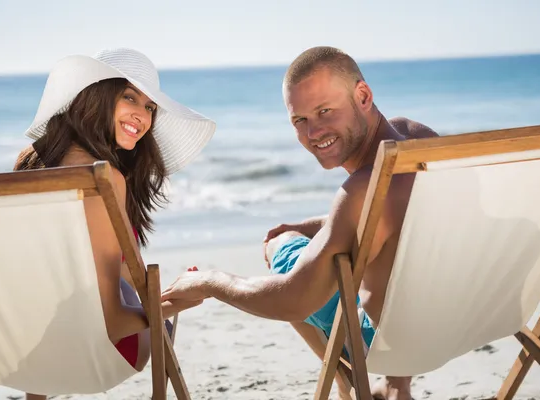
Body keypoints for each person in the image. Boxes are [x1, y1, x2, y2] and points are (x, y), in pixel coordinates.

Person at [161, 46, 439, 400]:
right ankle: (397, 387)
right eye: (299, 120)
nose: (313, 132)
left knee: (282, 247)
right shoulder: (421, 140)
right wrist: (315, 225)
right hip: (475, 316)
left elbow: (294, 299)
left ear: (363, 96)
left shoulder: (361, 191)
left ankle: (347, 380)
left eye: (325, 111)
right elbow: (399, 217)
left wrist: (209, 282)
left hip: (398, 340)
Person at [13, 47, 216, 400]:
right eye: (129, 97)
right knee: (162, 324)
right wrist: (177, 303)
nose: (142, 115)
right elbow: (113, 323)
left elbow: (42, 287)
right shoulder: (103, 181)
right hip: (89, 351)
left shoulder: (26, 168)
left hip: (5, 346)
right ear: (97, 97)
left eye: (150, 107)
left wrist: (158, 295)